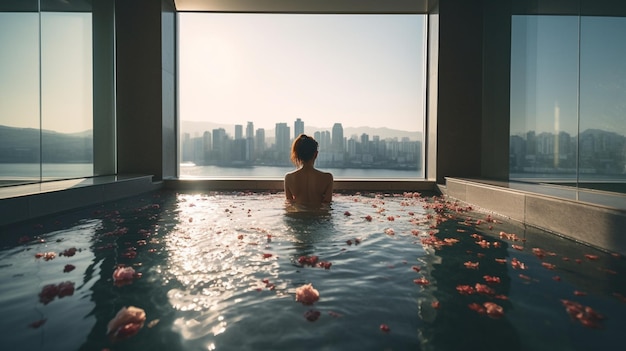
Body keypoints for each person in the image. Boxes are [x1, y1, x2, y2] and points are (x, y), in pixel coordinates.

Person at [284, 134, 333, 207]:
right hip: (318, 217)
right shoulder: (327, 178)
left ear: (297, 155)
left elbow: (289, 204)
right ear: (316, 154)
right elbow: (327, 205)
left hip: (298, 216)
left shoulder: (289, 178)